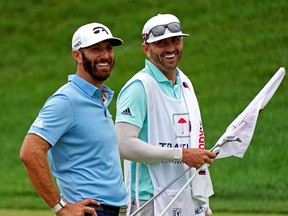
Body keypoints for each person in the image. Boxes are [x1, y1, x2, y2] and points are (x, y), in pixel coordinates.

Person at [20, 22, 127, 216]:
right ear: (77, 55)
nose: (105, 55)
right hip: (92, 210)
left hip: (112, 210)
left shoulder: (98, 98)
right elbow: (30, 152)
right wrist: (60, 207)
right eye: (95, 49)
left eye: (109, 48)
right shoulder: (66, 101)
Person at [115, 14, 216, 216]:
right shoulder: (138, 87)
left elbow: (194, 138)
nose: (171, 48)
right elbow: (123, 145)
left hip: (188, 197)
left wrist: (203, 203)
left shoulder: (185, 83)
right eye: (161, 43)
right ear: (146, 48)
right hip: (150, 199)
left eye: (175, 40)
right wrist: (182, 155)